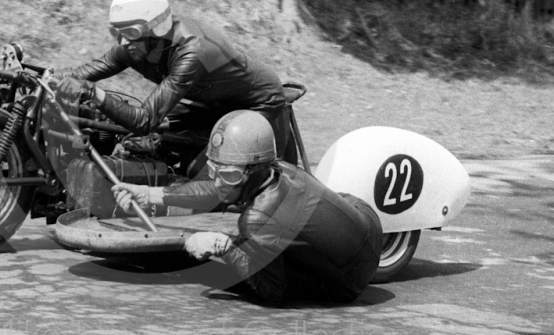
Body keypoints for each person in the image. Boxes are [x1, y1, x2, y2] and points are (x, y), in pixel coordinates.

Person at [111, 110, 384, 305]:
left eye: (229, 175)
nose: (219, 182)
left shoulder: (257, 217)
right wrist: (151, 194)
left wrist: (223, 246)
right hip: (367, 223)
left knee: (226, 264)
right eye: (213, 170)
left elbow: (273, 292)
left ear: (254, 170)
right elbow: (215, 190)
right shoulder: (280, 168)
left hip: (348, 284)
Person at [54, 0, 293, 172]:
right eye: (117, 32)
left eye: (132, 32)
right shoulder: (132, 46)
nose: (123, 41)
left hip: (256, 105)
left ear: (156, 29)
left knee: (199, 171)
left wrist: (94, 92)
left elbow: (143, 120)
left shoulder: (193, 51)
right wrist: (47, 76)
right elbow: (84, 73)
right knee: (137, 140)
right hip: (208, 103)